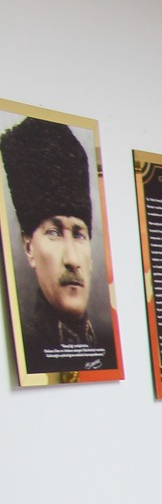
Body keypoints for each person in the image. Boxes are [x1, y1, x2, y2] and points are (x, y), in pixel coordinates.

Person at [1, 113, 111, 373]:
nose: (72, 259)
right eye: (53, 232)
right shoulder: (29, 348)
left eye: (79, 234)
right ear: (29, 248)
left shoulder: (107, 344)